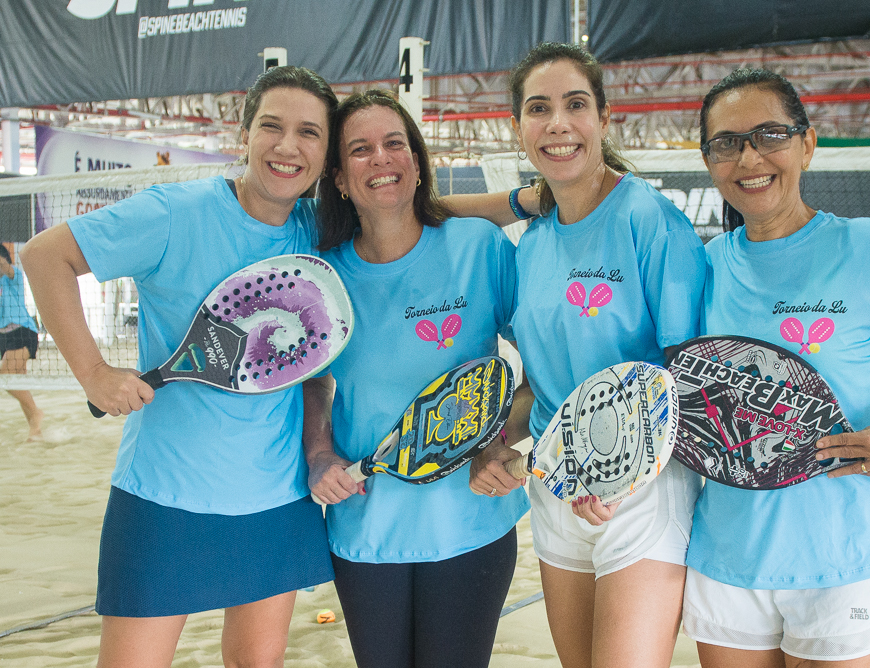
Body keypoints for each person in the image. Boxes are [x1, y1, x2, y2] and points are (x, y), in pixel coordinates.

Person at [20, 66, 337, 668]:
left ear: (326, 152)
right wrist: (94, 373)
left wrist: (521, 200)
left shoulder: (319, 231)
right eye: (271, 126)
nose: (288, 146)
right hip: (163, 496)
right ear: (244, 135)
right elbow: (44, 256)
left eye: (309, 133)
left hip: (276, 497)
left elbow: (420, 209)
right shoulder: (174, 212)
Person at [683, 67, 870, 668]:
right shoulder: (701, 266)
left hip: (845, 558)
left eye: (770, 134)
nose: (749, 157)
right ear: (709, 161)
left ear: (807, 143)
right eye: (727, 143)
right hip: (727, 557)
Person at [304, 89, 531, 668]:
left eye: (393, 144)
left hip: (470, 522)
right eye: (360, 149)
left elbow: (541, 367)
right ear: (337, 176)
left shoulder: (476, 246)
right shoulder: (323, 274)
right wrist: (320, 453)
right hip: (365, 523)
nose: (380, 159)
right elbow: (314, 381)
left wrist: (498, 441)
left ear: (416, 158)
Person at [502, 42, 707, 668]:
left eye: (575, 105)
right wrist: (491, 443)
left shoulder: (651, 219)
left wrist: (621, 471)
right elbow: (540, 383)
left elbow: (689, 372)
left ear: (604, 118)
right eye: (539, 108)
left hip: (643, 488)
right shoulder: (530, 242)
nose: (557, 124)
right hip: (556, 481)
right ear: (518, 127)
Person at [0, 243, 44, 441]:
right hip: (4, 337)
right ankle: (35, 430)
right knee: (18, 381)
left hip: (22, 331)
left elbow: (4, 265)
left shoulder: (13, 276)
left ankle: (36, 413)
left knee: (6, 377)